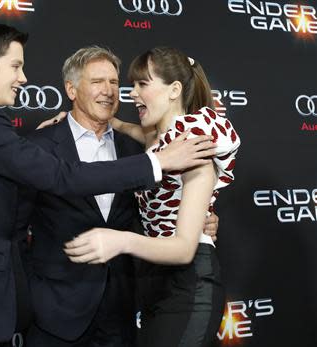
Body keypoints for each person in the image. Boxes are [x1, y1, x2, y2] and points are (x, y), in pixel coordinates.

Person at [0, 22, 217, 347]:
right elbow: (51, 187)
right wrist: (159, 162)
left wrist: (194, 221)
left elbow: (152, 212)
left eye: (114, 81)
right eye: (16, 66)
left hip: (118, 313)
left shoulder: (134, 146)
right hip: (9, 311)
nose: (23, 77)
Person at [16, 46, 220, 347]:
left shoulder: (140, 149)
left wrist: (205, 214)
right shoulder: (39, 146)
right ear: (71, 89)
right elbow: (15, 230)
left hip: (122, 313)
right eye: (98, 81)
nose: (111, 91)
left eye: (114, 82)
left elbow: (168, 205)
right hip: (56, 315)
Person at [65, 47, 241, 347]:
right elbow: (130, 130)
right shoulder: (155, 139)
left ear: (174, 90)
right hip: (151, 284)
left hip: (189, 284)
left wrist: (119, 241)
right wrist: (70, 119)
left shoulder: (195, 144)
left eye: (142, 84)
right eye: (132, 85)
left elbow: (184, 248)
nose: (131, 94)